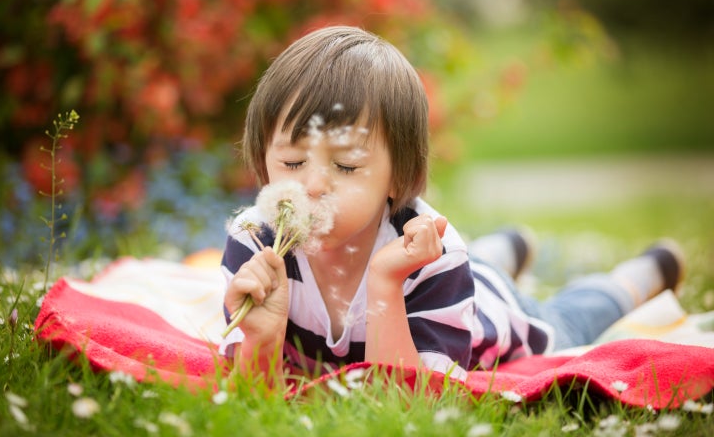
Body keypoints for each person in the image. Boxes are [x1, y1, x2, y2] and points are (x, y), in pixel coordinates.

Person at [220, 25, 684, 381]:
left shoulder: (430, 262)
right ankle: (506, 248)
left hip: (482, 311)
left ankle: (635, 278)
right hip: (456, 274)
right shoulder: (254, 249)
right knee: (482, 263)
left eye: (345, 167)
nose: (314, 185)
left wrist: (386, 281)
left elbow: (404, 401)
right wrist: (261, 336)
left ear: (397, 178)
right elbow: (254, 392)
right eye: (292, 160)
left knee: (565, 321)